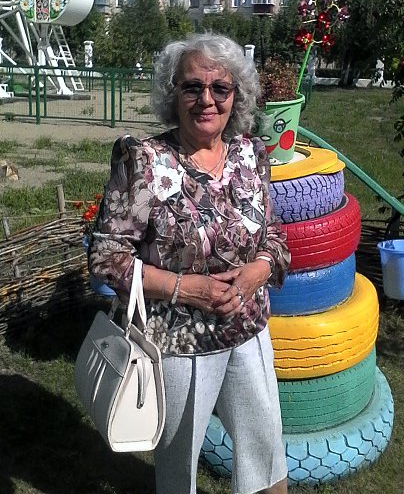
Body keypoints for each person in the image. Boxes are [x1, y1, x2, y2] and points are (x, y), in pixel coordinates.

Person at [89, 32, 291, 494]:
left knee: (267, 454)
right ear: (173, 93)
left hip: (249, 331)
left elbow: (274, 237)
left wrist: (256, 273)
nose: (207, 99)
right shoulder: (143, 160)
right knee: (179, 471)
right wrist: (188, 289)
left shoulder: (250, 154)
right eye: (192, 87)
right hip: (178, 344)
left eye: (220, 88)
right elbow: (106, 258)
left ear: (236, 95)